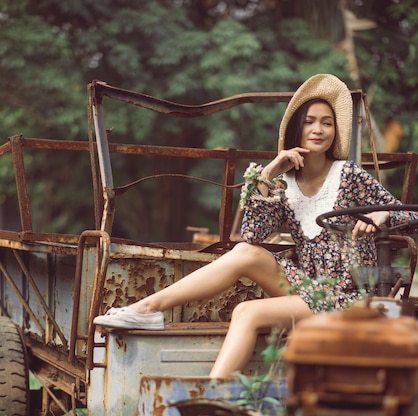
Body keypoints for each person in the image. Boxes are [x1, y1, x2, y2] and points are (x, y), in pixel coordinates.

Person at [93, 74, 418, 378]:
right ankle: (148, 307)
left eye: (327, 123)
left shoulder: (348, 176)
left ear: (335, 131)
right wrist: (269, 174)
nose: (318, 129)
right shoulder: (284, 184)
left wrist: (383, 216)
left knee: (247, 312)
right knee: (246, 252)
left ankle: (210, 395)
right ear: (297, 130)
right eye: (309, 122)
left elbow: (411, 215)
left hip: (349, 296)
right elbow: (251, 236)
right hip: (309, 287)